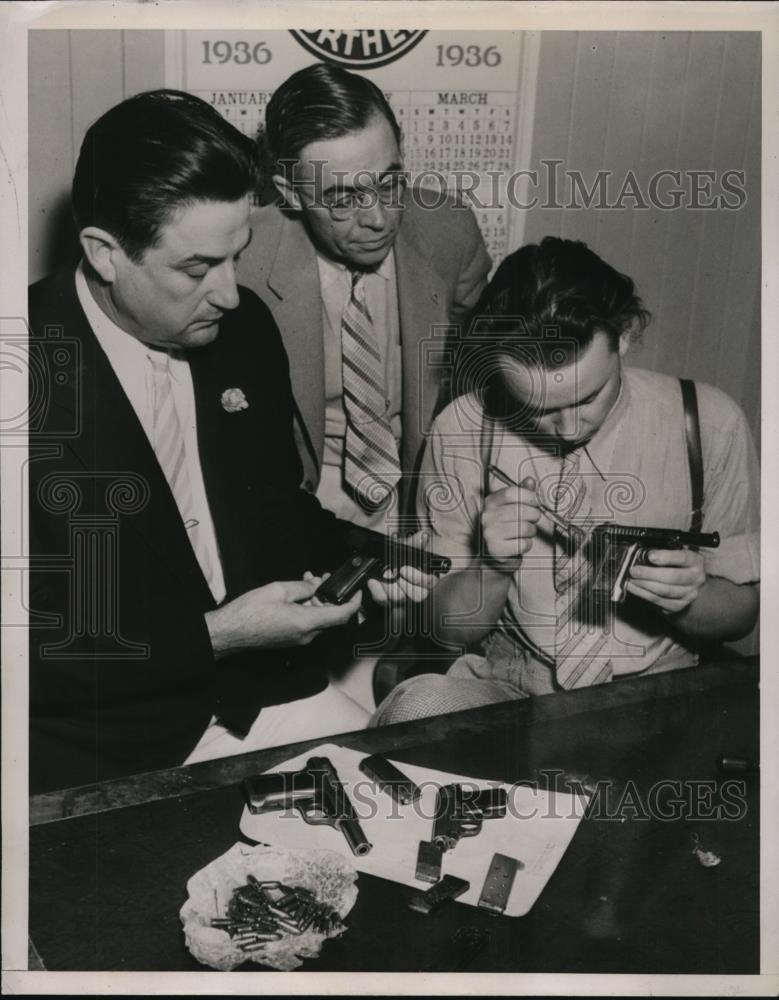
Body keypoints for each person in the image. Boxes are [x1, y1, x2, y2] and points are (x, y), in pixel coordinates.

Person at [28, 89, 431, 793]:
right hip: (97, 742)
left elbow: (273, 505)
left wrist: (363, 552)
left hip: (253, 696)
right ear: (103, 253)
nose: (229, 293)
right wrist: (217, 634)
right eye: (196, 268)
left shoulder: (241, 331)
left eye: (236, 257)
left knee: (404, 810)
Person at [372, 236, 760, 723]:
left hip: (657, 692)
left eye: (587, 397)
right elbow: (445, 632)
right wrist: (492, 565)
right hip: (510, 687)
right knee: (417, 708)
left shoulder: (706, 421)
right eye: (539, 409)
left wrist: (687, 599)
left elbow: (742, 614)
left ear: (624, 335)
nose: (570, 429)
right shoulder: (465, 427)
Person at [237, 62, 492, 529]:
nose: (377, 218)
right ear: (290, 194)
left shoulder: (450, 230)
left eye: (389, 182)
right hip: (303, 493)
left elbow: (475, 362)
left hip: (420, 481)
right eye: (342, 198)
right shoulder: (242, 264)